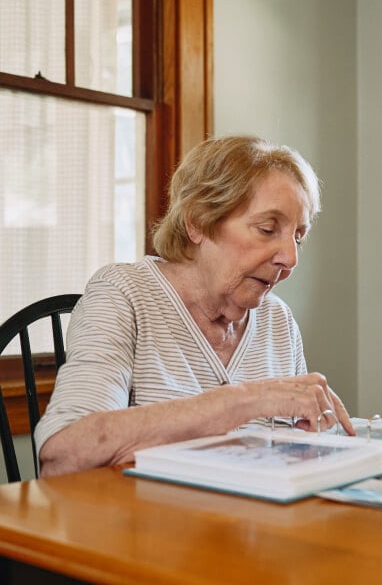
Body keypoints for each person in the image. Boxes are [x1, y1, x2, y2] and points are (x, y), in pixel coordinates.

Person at [35, 135, 354, 476]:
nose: (290, 259)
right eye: (266, 229)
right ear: (198, 222)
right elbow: (63, 454)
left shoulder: (277, 319)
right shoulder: (123, 294)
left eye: (298, 238)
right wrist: (244, 401)